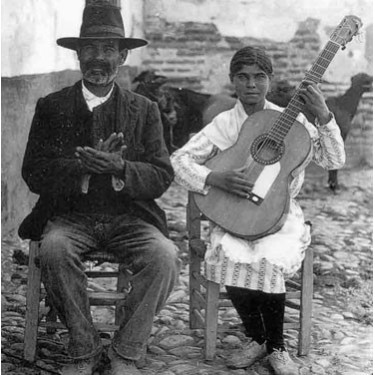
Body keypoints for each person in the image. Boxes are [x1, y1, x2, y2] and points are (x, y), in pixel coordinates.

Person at [19, 1, 180, 374]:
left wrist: (120, 167)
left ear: (123, 56)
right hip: (70, 217)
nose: (98, 58)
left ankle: (125, 352)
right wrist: (82, 169)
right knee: (54, 250)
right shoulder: (51, 106)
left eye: (108, 49)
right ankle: (84, 347)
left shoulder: (144, 109)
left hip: (129, 218)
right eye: (90, 48)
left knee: (164, 258)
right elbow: (34, 172)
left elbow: (161, 175)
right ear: (78, 54)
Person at [171, 46, 345, 375]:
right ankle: (255, 337)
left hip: (279, 216)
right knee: (228, 252)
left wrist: (323, 115)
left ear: (270, 80)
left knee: (268, 254)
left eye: (259, 77)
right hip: (234, 211)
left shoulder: (290, 121)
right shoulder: (224, 123)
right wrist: (214, 177)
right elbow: (179, 161)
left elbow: (334, 161)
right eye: (243, 77)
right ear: (232, 81)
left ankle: (276, 347)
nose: (251, 84)